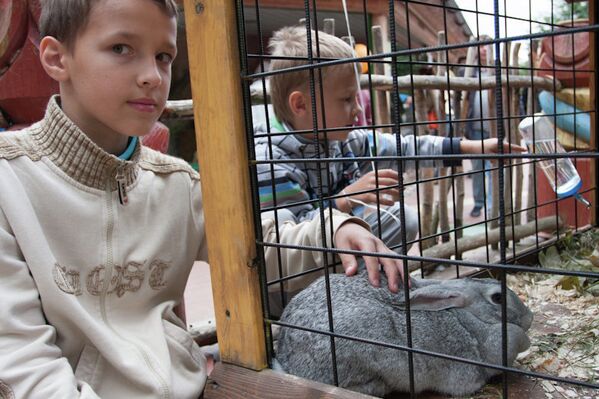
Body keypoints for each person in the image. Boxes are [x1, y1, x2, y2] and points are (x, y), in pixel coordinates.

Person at [0, 1, 407, 398]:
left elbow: (255, 246)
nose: (152, 76)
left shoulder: (175, 184)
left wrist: (336, 228)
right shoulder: (9, 183)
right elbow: (20, 360)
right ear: (56, 58)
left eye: (163, 56)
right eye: (121, 48)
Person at [255, 26, 525, 261]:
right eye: (347, 99)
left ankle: (363, 292)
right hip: (299, 282)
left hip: (336, 252)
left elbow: (407, 148)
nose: (359, 109)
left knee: (401, 218)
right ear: (301, 104)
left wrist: (473, 148)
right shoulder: (272, 162)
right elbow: (290, 244)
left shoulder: (345, 141)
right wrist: (344, 200)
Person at [465, 38, 493, 218]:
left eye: (487, 46)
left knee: (493, 169)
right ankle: (478, 203)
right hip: (475, 131)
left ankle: (492, 205)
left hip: (494, 129)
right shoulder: (469, 72)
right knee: (477, 170)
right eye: (480, 46)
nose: (483, 50)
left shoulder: (498, 70)